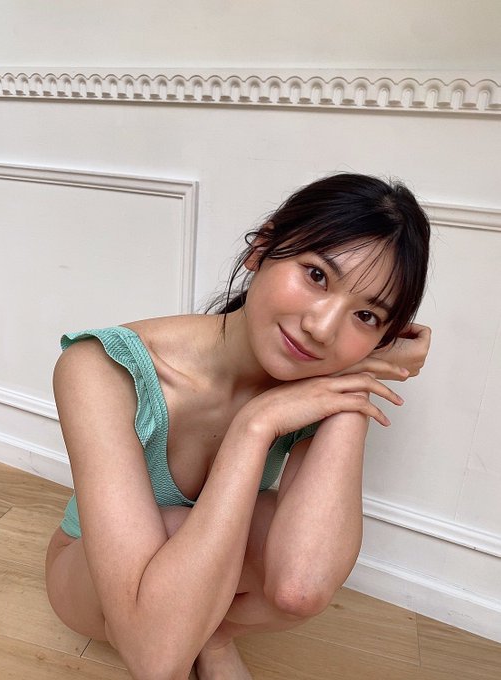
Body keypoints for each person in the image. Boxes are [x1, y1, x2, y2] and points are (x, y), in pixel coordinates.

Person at [45, 173, 431, 680]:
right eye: (316, 275)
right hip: (94, 584)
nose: (322, 329)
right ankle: (194, 632)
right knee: (174, 536)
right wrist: (256, 424)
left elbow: (302, 586)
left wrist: (355, 381)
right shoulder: (102, 368)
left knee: (288, 541)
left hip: (202, 575)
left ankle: (212, 633)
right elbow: (154, 662)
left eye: (366, 316)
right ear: (262, 248)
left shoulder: (321, 380)